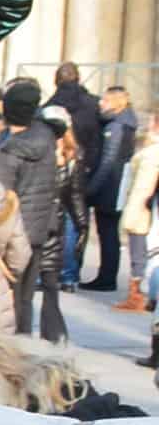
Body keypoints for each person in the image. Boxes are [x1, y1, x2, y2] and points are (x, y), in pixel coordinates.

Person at [0, 76, 67, 342]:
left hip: (13, 231)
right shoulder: (47, 137)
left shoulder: (11, 151)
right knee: (25, 298)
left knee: (9, 298)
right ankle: (24, 344)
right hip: (39, 227)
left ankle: (12, 349)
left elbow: (1, 197)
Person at [84, 83, 139, 292]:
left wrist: (92, 188)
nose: (101, 103)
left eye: (105, 100)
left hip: (110, 185)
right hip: (118, 184)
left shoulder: (115, 126)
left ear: (116, 103)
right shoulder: (127, 122)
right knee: (109, 233)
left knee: (106, 232)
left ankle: (106, 278)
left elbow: (108, 160)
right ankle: (106, 276)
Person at [124, 109, 159, 313]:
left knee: (147, 253)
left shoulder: (151, 153)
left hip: (144, 206)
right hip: (145, 205)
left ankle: (141, 295)